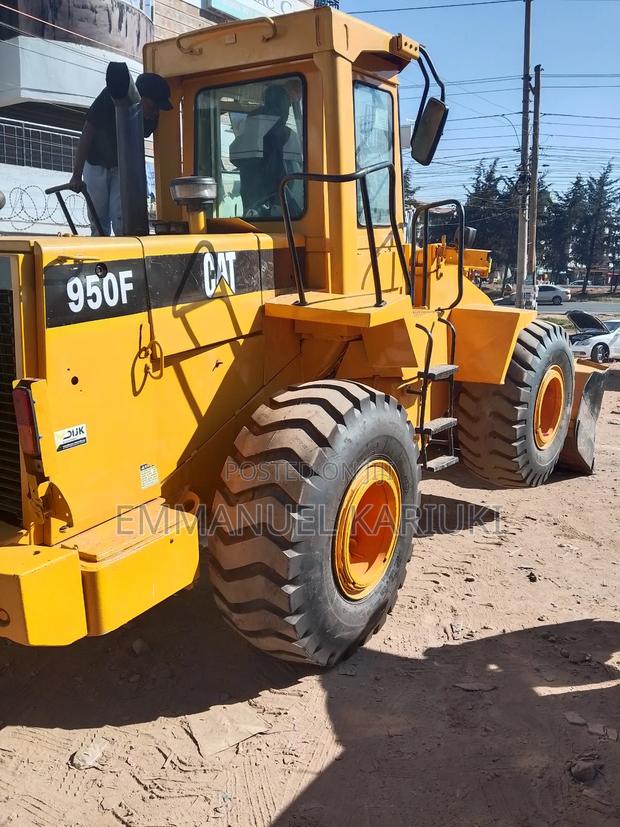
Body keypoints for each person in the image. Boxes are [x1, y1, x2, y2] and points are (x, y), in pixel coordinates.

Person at [69, 73, 172, 236]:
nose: (156, 112)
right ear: (140, 97)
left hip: (122, 166)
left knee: (123, 217)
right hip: (95, 162)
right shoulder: (110, 97)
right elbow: (87, 133)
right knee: (98, 219)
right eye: (154, 106)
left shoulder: (151, 118)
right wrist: (76, 175)